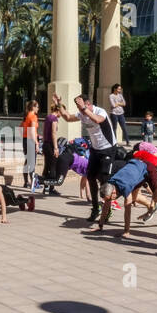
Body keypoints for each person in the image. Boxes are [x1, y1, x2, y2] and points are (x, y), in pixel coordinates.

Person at [53, 93, 115, 224]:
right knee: (91, 177)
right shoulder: (82, 113)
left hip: (107, 149)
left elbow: (98, 120)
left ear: (87, 104)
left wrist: (84, 110)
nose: (78, 109)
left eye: (80, 105)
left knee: (105, 182)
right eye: (77, 106)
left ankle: (107, 209)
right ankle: (95, 208)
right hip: (95, 150)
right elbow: (68, 117)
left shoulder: (100, 111)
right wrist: (59, 104)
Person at [95, 154, 150, 235]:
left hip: (146, 168)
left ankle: (153, 207)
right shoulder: (110, 184)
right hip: (132, 166)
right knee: (134, 197)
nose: (109, 201)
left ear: (113, 192)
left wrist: (126, 231)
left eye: (110, 198)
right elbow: (106, 206)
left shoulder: (125, 187)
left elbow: (127, 211)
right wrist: (100, 225)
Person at [21, 100, 40, 187]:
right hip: (30, 140)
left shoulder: (26, 116)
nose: (38, 109)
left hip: (25, 140)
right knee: (31, 162)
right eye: (37, 107)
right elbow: (32, 131)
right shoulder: (33, 116)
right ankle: (33, 183)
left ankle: (26, 182)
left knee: (27, 161)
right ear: (33, 107)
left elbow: (21, 128)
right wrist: (36, 143)